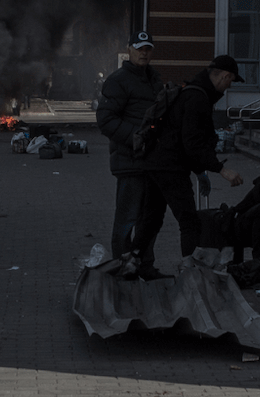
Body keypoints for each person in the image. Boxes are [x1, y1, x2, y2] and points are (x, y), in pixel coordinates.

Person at [127, 53, 246, 276]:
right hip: (170, 166)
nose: (229, 86)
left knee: (152, 217)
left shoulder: (192, 91)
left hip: (155, 163)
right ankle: (189, 269)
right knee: (188, 219)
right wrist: (221, 169)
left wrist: (201, 170)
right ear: (224, 76)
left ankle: (132, 260)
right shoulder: (198, 98)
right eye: (231, 81)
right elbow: (192, 143)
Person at [95, 33, 165, 273]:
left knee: (149, 220)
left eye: (148, 48)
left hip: (153, 162)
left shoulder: (155, 80)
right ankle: (122, 265)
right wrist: (136, 137)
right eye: (139, 48)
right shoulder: (119, 80)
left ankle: (144, 264)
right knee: (127, 219)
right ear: (129, 50)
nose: (144, 53)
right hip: (130, 161)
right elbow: (105, 120)